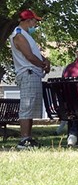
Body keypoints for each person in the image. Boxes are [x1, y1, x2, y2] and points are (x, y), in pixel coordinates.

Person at [9, 10, 51, 149]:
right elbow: (29, 57)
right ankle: (24, 140)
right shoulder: (19, 35)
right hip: (28, 72)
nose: (36, 24)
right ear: (28, 20)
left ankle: (28, 138)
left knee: (31, 106)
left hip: (33, 73)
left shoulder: (26, 35)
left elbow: (36, 55)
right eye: (35, 21)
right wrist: (43, 65)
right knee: (27, 106)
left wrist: (45, 60)